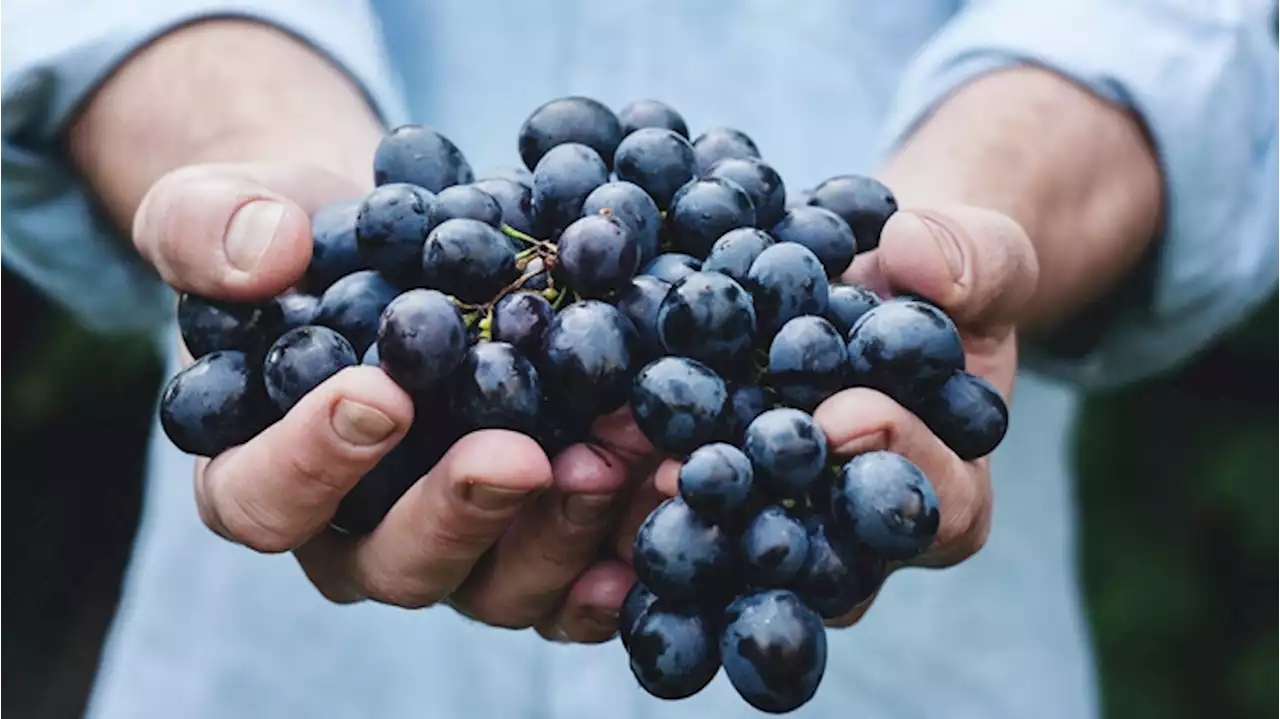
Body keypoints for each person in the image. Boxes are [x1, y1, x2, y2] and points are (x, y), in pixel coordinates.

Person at [1, 1, 1276, 717]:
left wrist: (967, 218)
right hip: (291, 659)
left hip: (895, 592)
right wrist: (254, 169)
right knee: (372, 419)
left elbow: (1167, 32)